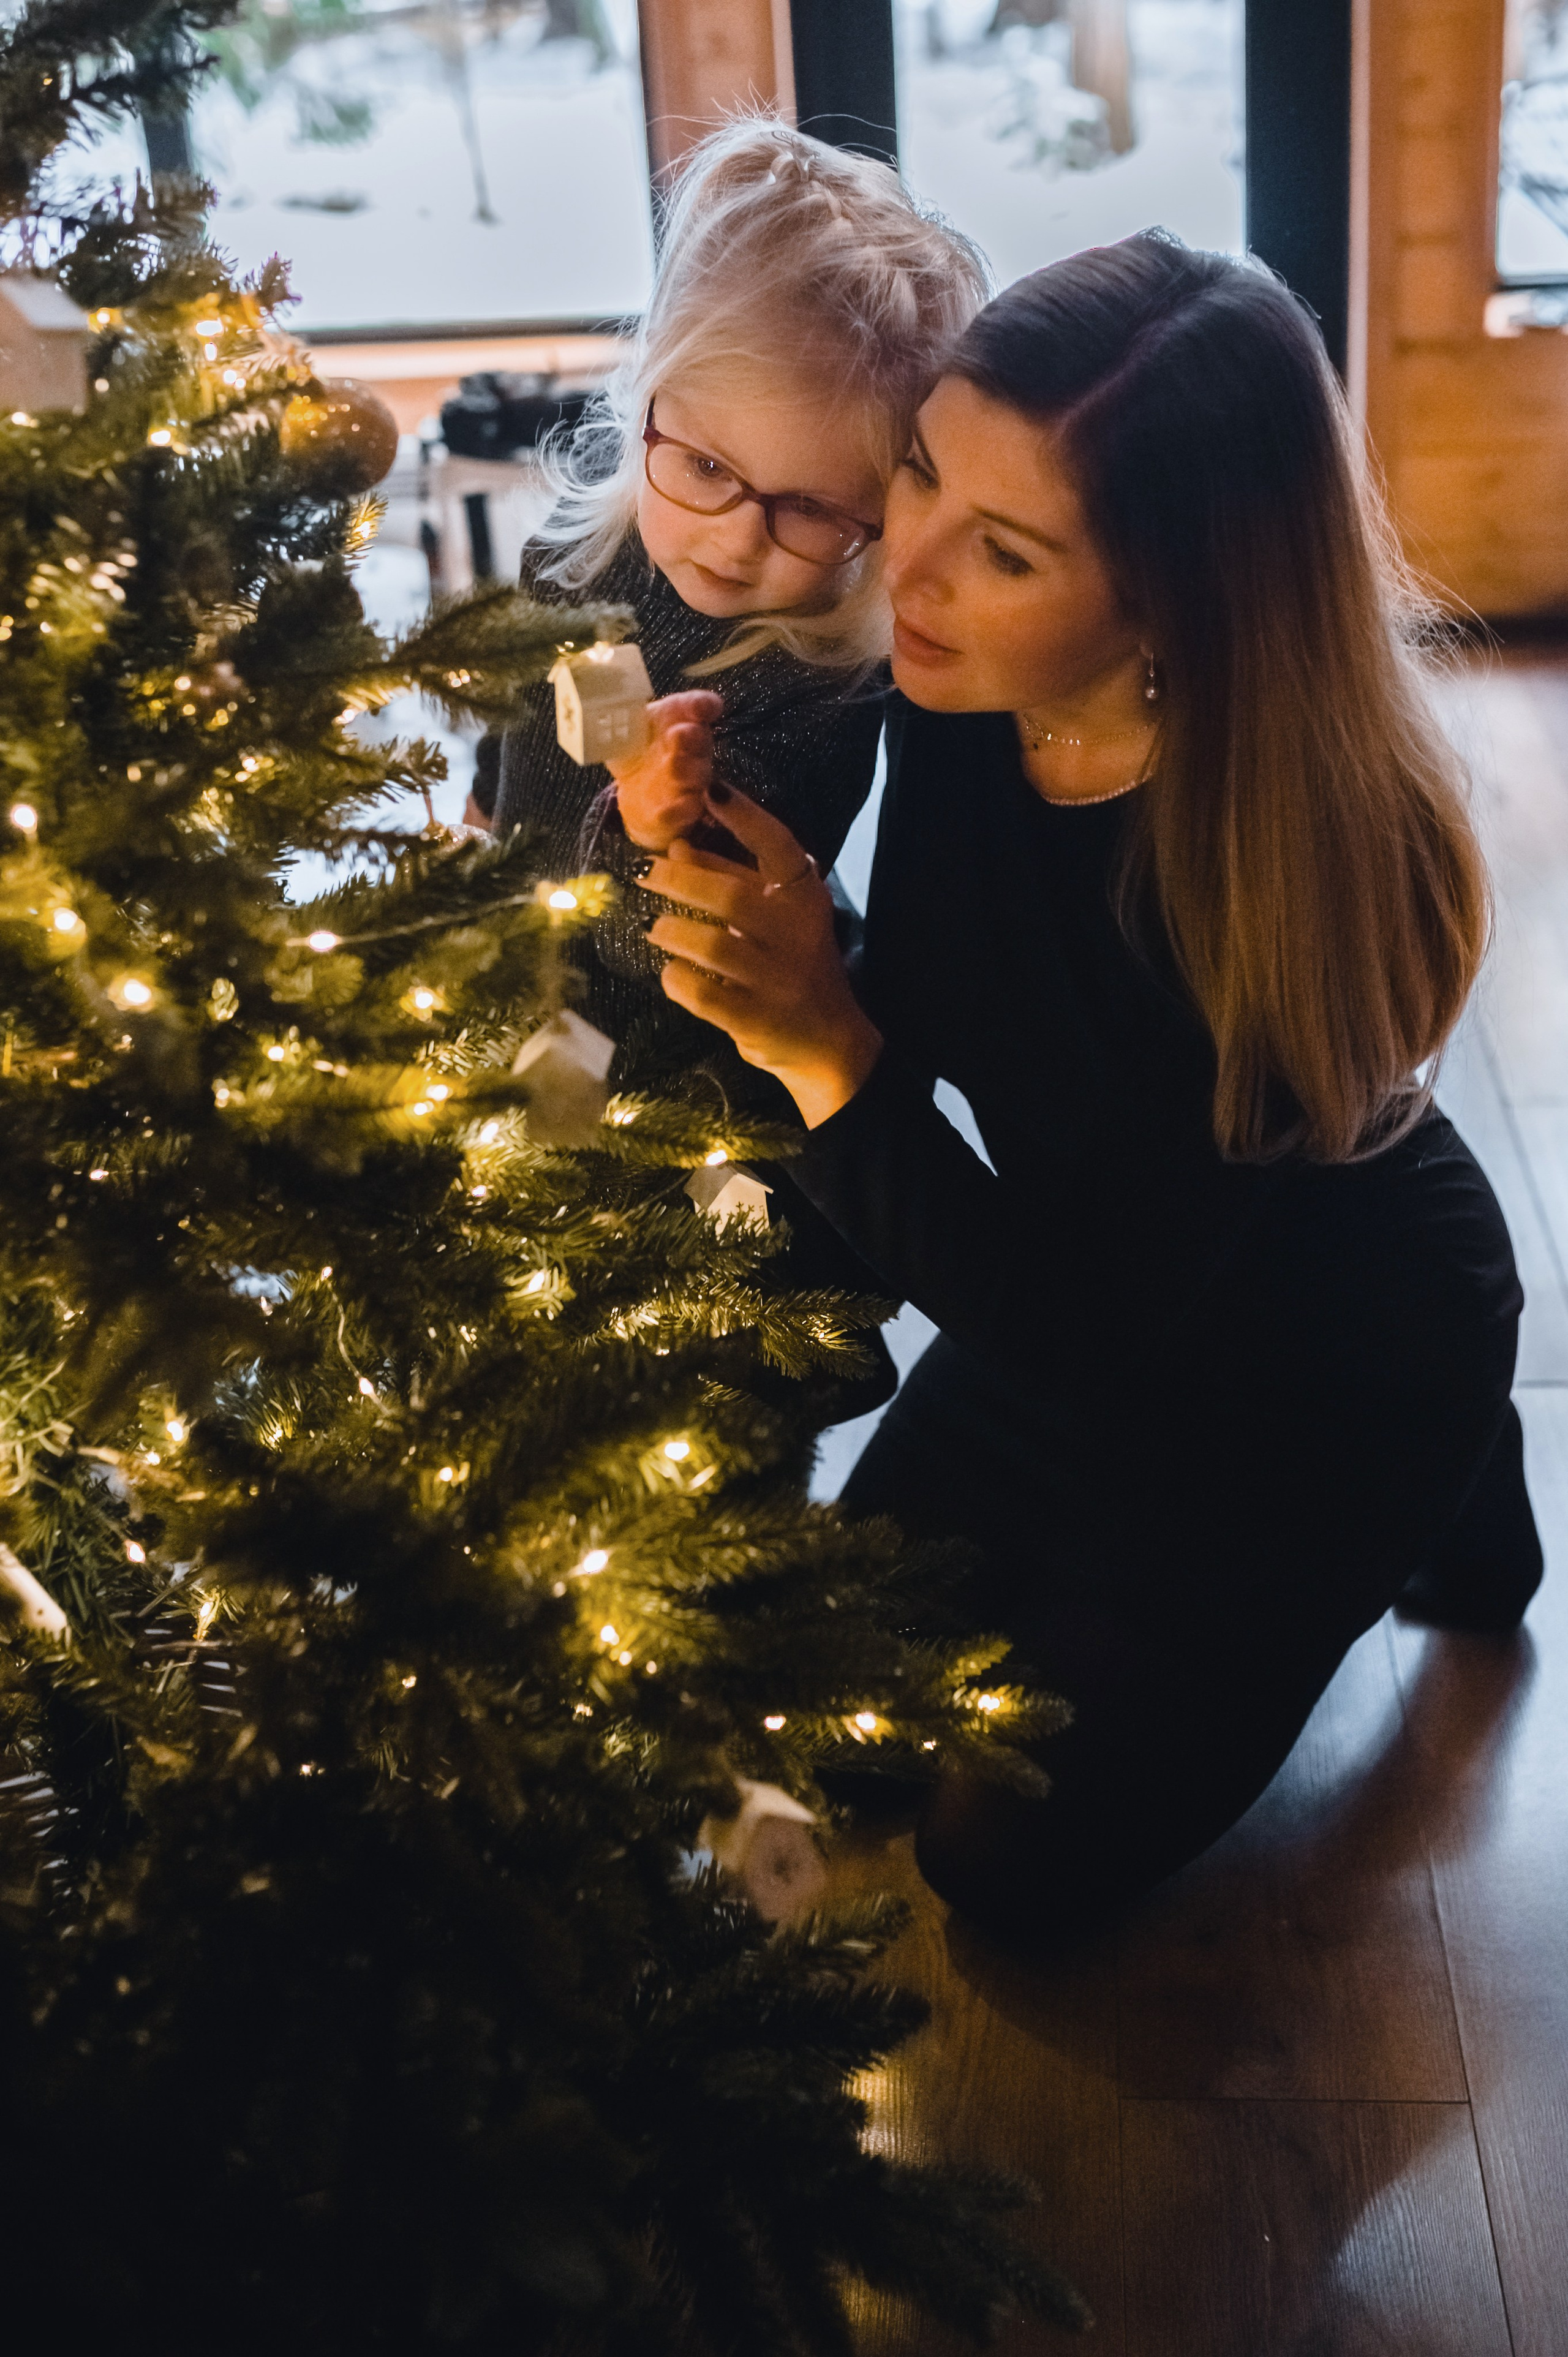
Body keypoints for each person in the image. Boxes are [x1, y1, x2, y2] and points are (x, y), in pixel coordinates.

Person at [627, 231, 1545, 1940]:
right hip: (1077, 1279)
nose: (913, 567)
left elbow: (1075, 1315)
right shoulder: (971, 693)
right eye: (919, 475)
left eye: (1008, 549)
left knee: (1005, 1863)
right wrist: (779, 914)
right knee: (830, 1732)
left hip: (1316, 1362)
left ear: (1175, 606)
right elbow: (992, 1010)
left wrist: (826, 1046)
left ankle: (1433, 1467)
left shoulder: (1284, 872)